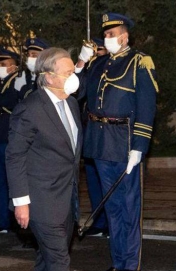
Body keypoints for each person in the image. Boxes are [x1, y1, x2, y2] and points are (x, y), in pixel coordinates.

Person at [76, 12, 158, 271]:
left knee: (129, 207)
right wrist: (80, 63)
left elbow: (147, 106)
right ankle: (118, 261)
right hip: (100, 142)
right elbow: (74, 92)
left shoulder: (139, 62)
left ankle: (130, 264)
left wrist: (139, 146)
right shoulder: (98, 65)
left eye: (112, 35)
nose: (107, 39)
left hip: (125, 141)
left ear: (125, 36)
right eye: (105, 35)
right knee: (112, 206)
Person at [7, 47, 81, 271]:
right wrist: (21, 203)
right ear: (48, 76)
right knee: (59, 262)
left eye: (73, 71)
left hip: (67, 200)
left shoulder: (72, 104)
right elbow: (14, 156)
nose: (73, 77)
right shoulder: (30, 108)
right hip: (42, 202)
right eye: (67, 72)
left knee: (47, 260)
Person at [0, 46, 21, 234]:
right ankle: (2, 221)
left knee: (11, 182)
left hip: (8, 137)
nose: (0, 67)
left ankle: (15, 221)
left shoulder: (17, 82)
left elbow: (7, 101)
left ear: (14, 66)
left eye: (4, 64)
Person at [81, 37, 110, 237]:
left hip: (106, 133)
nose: (96, 53)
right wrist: (81, 63)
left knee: (107, 181)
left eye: (99, 50)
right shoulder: (88, 70)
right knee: (92, 179)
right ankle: (98, 221)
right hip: (89, 130)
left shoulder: (108, 70)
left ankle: (110, 222)